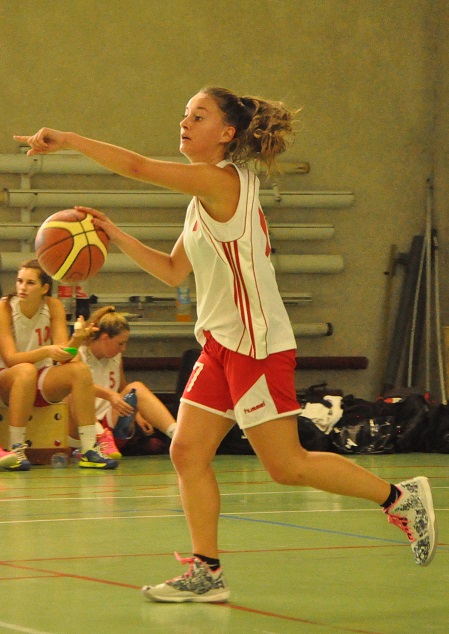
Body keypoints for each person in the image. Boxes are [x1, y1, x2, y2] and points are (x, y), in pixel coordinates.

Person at [15, 87, 437, 600]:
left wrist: (70, 140)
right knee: (188, 452)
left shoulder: (224, 182)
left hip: (255, 345)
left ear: (228, 133)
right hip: (220, 344)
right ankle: (206, 572)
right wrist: (112, 233)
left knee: (287, 466)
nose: (185, 122)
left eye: (199, 115)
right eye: (184, 114)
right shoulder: (201, 201)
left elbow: (140, 167)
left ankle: (400, 498)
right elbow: (173, 271)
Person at [0, 259, 118, 470]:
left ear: (44, 288)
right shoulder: (5, 307)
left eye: (29, 283)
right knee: (26, 370)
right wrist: (46, 351)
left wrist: (78, 339)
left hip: (40, 379)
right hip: (8, 378)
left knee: (79, 370)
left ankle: (89, 448)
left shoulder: (53, 306)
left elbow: (65, 355)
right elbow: (10, 359)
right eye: (19, 281)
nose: (22, 287)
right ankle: (17, 448)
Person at [67, 309, 176, 459]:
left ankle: (178, 435)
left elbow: (123, 389)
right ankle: (92, 442)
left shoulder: (116, 357)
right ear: (105, 338)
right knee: (72, 393)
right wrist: (110, 395)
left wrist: (137, 415)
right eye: (120, 343)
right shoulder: (79, 353)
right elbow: (73, 386)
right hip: (80, 429)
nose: (123, 348)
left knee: (135, 387)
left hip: (110, 426)